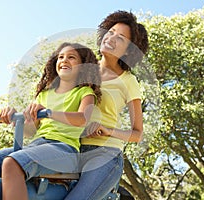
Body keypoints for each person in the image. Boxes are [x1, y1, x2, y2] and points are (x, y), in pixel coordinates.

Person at [0, 42, 102, 200]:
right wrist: (15, 119)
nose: (64, 60)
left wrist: (49, 113)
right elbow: (30, 131)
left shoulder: (85, 92)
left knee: (11, 164)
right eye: (61, 57)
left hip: (65, 149)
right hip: (36, 145)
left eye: (71, 57)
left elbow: (83, 119)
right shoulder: (43, 95)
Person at [64, 10, 149, 200]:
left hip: (105, 155)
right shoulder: (82, 69)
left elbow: (137, 134)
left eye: (120, 38)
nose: (111, 38)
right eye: (110, 32)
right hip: (72, 149)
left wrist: (107, 130)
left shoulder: (128, 81)